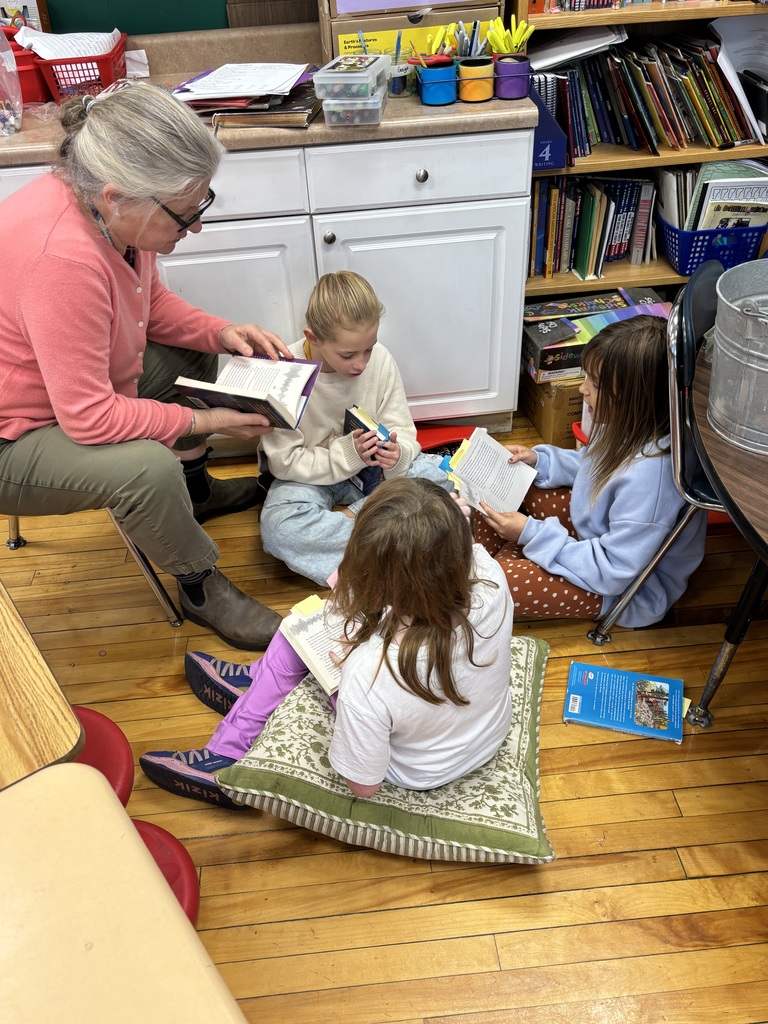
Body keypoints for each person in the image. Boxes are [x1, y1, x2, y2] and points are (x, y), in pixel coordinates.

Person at [0, 81, 291, 650]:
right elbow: (88, 419)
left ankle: (194, 492)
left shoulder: (117, 212)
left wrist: (221, 332)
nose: (197, 226)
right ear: (117, 197)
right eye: (185, 215)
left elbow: (146, 304)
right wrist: (210, 423)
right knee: (145, 469)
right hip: (17, 434)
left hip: (72, 388)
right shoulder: (62, 258)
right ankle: (197, 581)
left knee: (204, 352)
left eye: (200, 206)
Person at [139, 477, 514, 809]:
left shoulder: (369, 675)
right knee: (307, 632)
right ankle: (256, 684)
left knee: (296, 633)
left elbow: (364, 787)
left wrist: (352, 664)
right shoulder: (489, 571)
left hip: (416, 770)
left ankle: (228, 753)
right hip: (483, 735)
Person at [474, 314, 707, 628]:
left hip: (626, 591)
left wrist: (530, 533)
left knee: (496, 586)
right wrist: (539, 461)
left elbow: (613, 572)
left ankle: (488, 569)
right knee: (505, 483)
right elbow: (591, 466)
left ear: (634, 399)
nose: (583, 390)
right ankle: (485, 562)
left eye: (595, 384)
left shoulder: (651, 480)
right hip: (594, 540)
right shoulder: (637, 426)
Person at [258, 271, 452, 587]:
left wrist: (397, 452)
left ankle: (361, 531)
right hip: (310, 478)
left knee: (443, 479)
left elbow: (402, 427)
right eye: (348, 354)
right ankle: (395, 541)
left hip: (376, 475)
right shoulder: (285, 373)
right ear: (313, 338)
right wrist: (347, 455)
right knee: (279, 529)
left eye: (369, 349)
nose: (361, 364)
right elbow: (285, 461)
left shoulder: (382, 360)